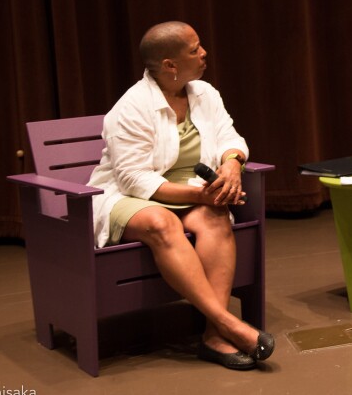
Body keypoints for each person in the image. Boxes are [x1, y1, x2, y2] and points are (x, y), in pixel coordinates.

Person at [87, 21, 274, 369]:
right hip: (130, 195)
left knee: (217, 217)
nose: (204, 54)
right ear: (170, 65)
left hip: (190, 191)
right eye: (194, 49)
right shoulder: (131, 107)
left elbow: (230, 137)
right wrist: (203, 196)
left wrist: (233, 165)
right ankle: (228, 322)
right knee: (161, 223)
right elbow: (133, 180)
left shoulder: (204, 93)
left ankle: (214, 337)